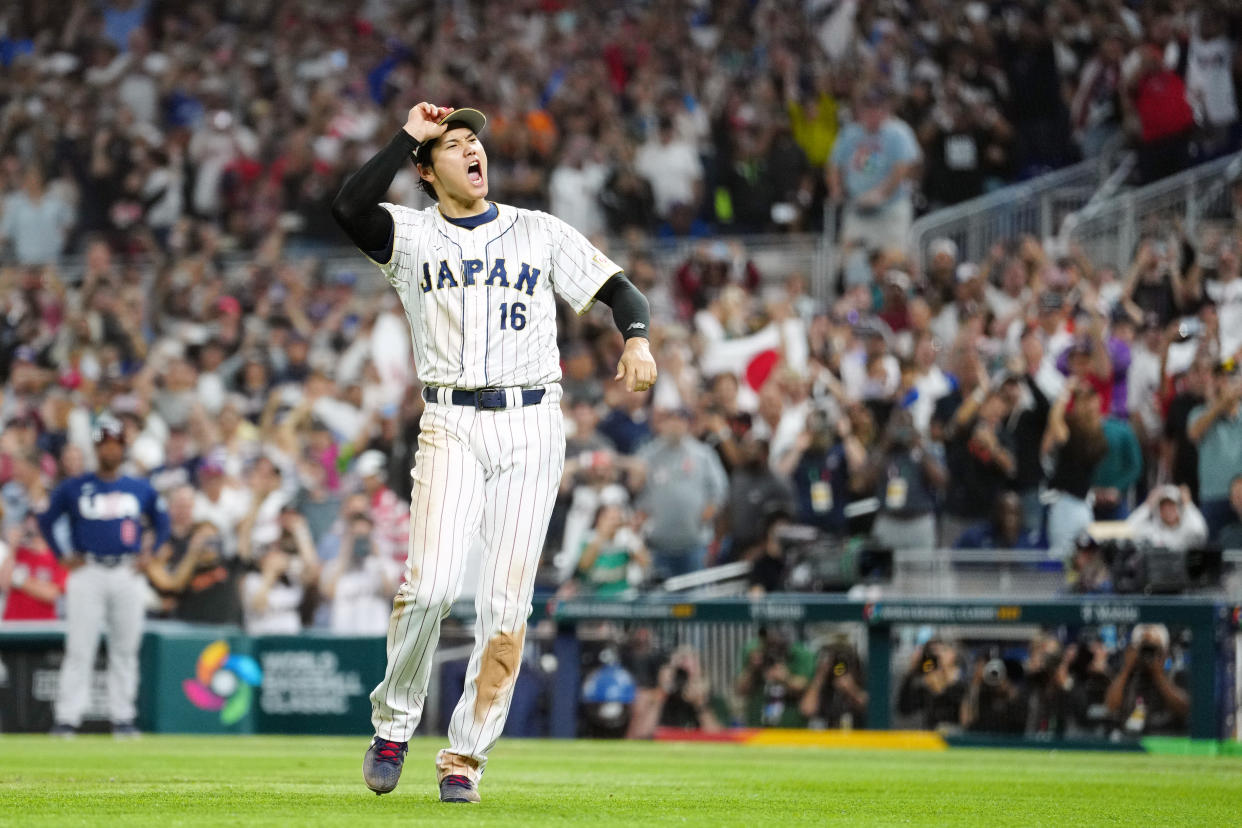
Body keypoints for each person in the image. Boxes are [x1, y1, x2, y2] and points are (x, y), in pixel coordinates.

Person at [331, 102, 657, 801]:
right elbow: (348, 205)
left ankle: (463, 759)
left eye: (474, 140)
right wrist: (407, 136)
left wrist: (636, 336)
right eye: (453, 144)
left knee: (507, 608)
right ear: (426, 169)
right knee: (432, 586)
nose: (472, 149)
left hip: (531, 423)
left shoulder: (536, 231)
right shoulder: (412, 236)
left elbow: (618, 288)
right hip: (449, 420)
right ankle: (394, 723)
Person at [35, 414, 170, 738]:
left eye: (116, 444)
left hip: (126, 570)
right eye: (105, 444)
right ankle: (67, 719)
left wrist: (151, 554)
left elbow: (162, 522)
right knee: (80, 647)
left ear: (123, 447)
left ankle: (123, 718)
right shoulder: (75, 487)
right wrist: (61, 556)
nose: (110, 450)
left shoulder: (138, 487)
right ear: (97, 448)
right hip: (89, 570)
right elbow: (45, 520)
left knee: (125, 648)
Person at [1124, 485, 1208, 553]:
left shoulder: (1187, 529)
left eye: (1172, 506)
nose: (1168, 511)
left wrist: (1188, 504)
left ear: (1180, 508)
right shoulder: (1153, 530)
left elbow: (1199, 531)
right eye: (1163, 507)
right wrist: (1147, 505)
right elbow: (1127, 529)